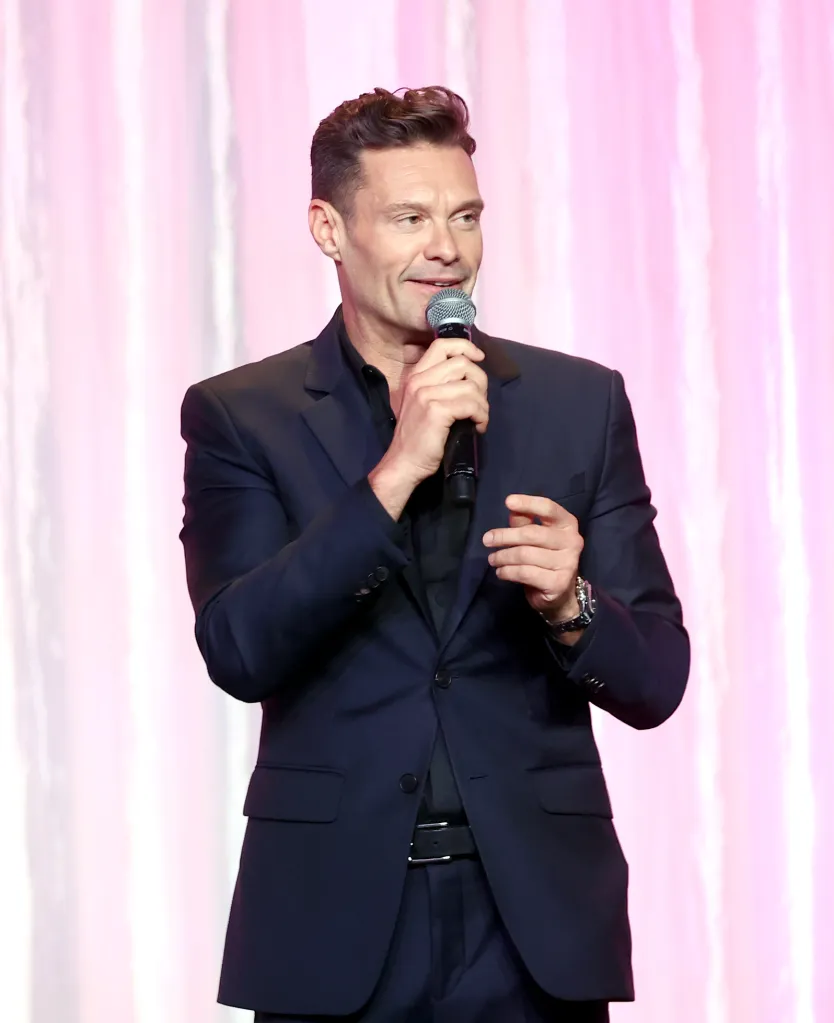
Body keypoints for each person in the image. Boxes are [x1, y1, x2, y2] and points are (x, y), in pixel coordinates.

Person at [179, 86, 689, 1023]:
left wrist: (571, 603)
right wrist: (392, 475)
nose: (446, 247)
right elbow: (239, 649)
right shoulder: (242, 416)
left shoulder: (579, 402)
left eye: (465, 216)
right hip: (334, 922)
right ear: (330, 229)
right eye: (410, 218)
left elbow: (657, 677)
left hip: (533, 924)